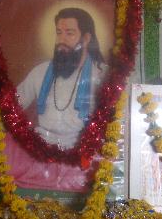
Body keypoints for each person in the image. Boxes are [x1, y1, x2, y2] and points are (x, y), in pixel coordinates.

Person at [16, 8, 108, 148]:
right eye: (59, 33)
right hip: (40, 147)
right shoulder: (40, 71)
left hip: (83, 149)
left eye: (69, 33)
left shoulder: (102, 74)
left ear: (86, 38)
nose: (61, 40)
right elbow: (11, 105)